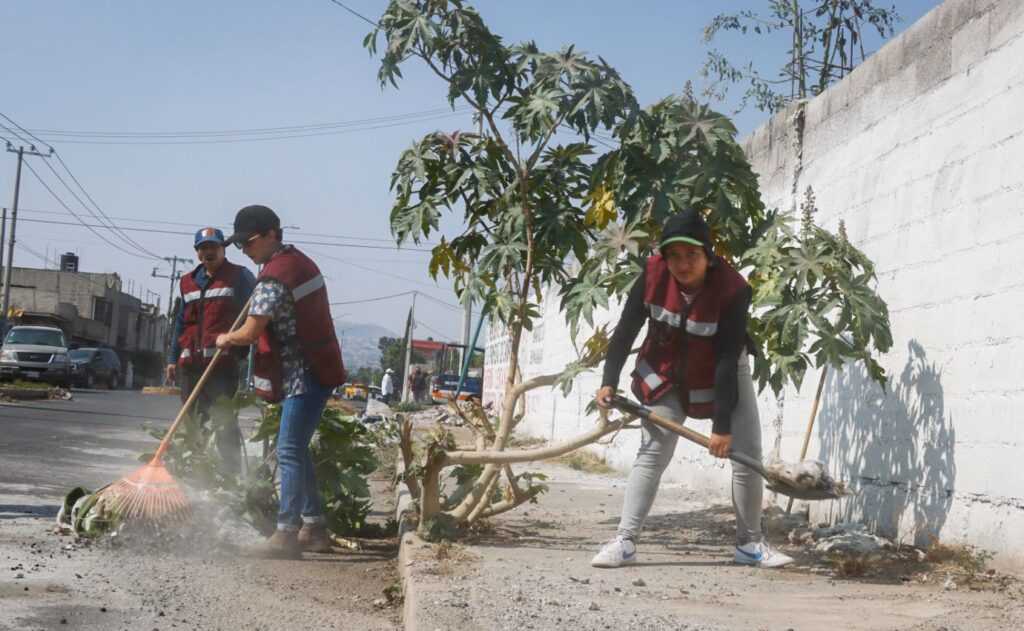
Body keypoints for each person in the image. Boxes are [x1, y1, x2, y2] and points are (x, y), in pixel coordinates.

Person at [590, 209, 793, 569]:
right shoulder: (652, 277)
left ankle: (749, 545)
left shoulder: (732, 289)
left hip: (725, 370)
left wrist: (721, 429)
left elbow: (728, 359)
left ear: (708, 256)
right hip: (666, 370)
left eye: (691, 255)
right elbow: (625, 330)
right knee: (653, 452)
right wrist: (609, 379)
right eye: (674, 255)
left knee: (747, 456)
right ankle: (625, 540)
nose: (682, 264)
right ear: (663, 256)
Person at [215, 205, 346, 559]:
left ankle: (286, 534)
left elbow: (252, 330)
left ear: (272, 234)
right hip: (316, 366)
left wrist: (226, 339)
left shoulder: (276, 276)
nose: (244, 250)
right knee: (297, 449)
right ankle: (315, 525)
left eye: (249, 242)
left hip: (306, 371)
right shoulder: (296, 262)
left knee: (287, 450)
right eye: (239, 244)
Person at [166, 227, 255, 475]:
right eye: (203, 248)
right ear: (197, 253)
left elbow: (253, 316)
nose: (209, 252)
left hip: (221, 366)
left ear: (222, 249)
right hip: (190, 366)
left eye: (214, 247)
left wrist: (241, 351)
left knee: (224, 423)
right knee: (194, 424)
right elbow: (181, 322)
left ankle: (230, 474)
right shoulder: (187, 282)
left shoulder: (239, 276)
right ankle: (198, 474)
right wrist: (172, 358)